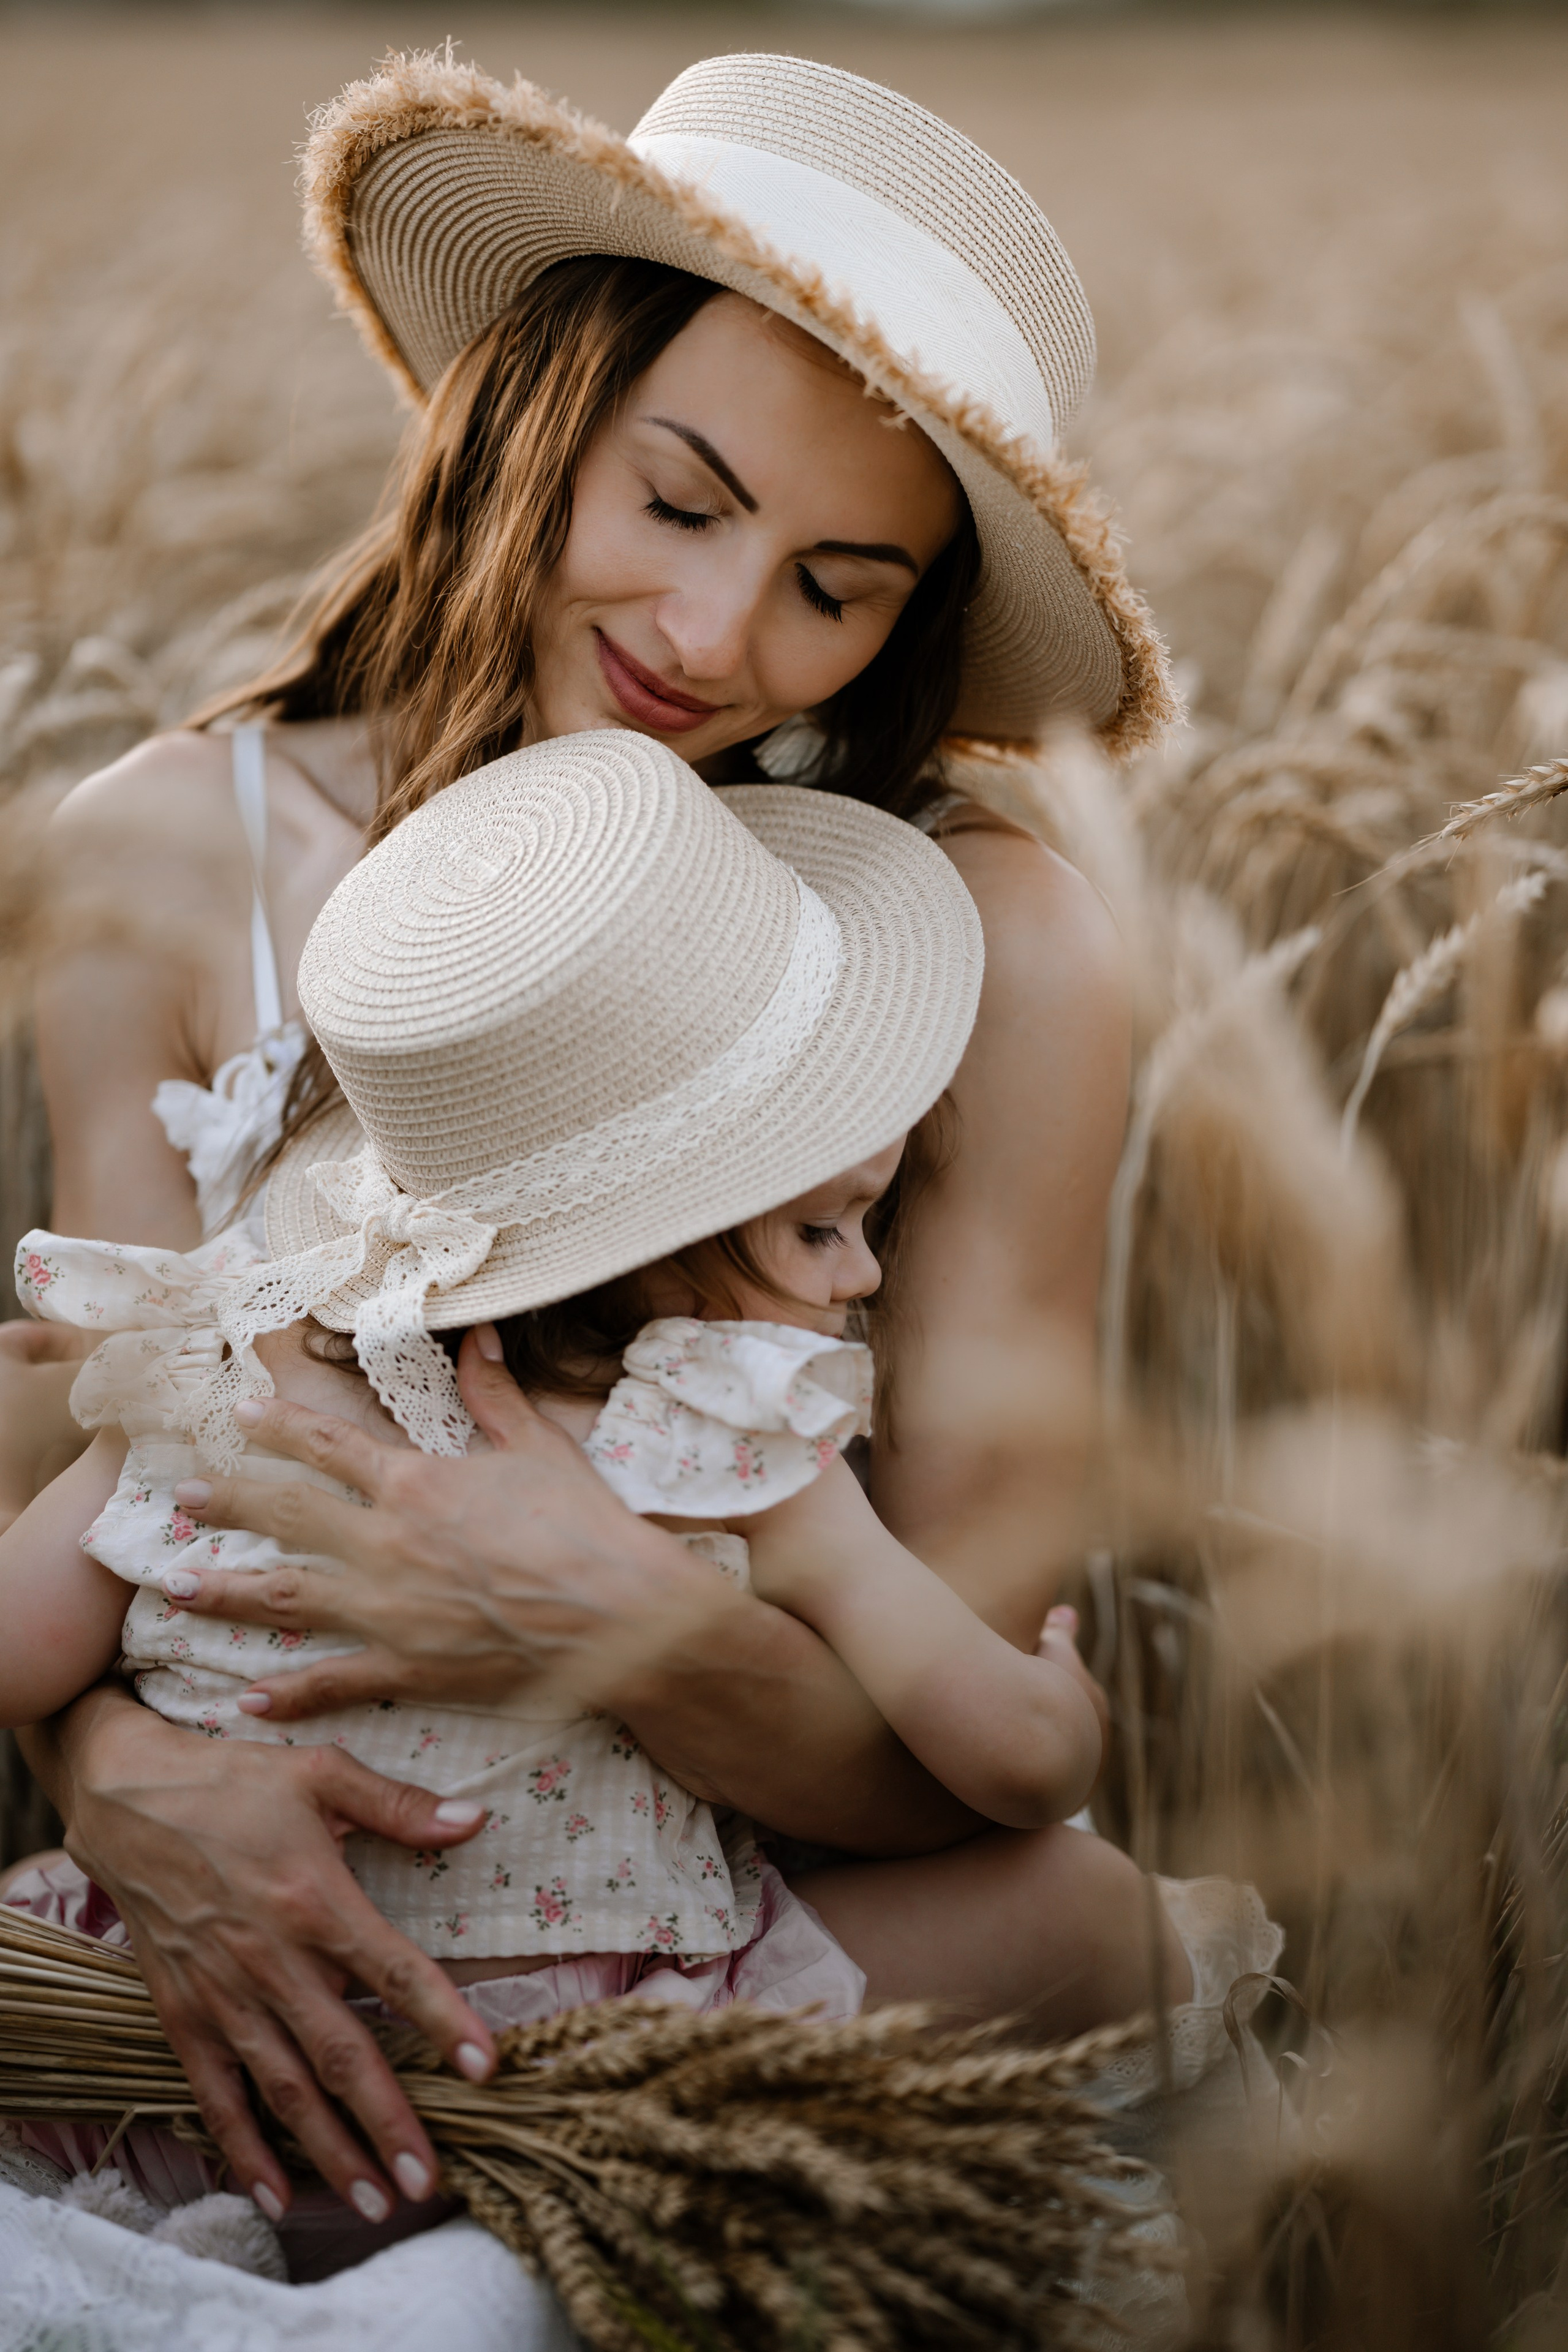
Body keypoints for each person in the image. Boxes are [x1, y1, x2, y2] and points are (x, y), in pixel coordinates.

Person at [9, 52, 1186, 2220]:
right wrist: (133, 1794)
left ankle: (476, 2227)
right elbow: (81, 1525)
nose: (717, 639)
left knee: (1085, 1933)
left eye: (838, 584)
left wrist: (621, 1621)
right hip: (242, 1910)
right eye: (677, 499)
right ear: (529, 405)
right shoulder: (170, 852)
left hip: (711, 1956)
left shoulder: (993, 943)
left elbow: (970, 1778)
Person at [4, 737, 1260, 2262]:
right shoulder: (724, 1444)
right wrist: (1056, 1696)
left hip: (200, 2063)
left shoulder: (213, 1378)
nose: (864, 1277)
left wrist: (72, 1508)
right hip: (586, 2067)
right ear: (652, 1253)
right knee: (1090, 1915)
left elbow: (18, 1657)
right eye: (819, 1231)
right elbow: (1008, 1773)